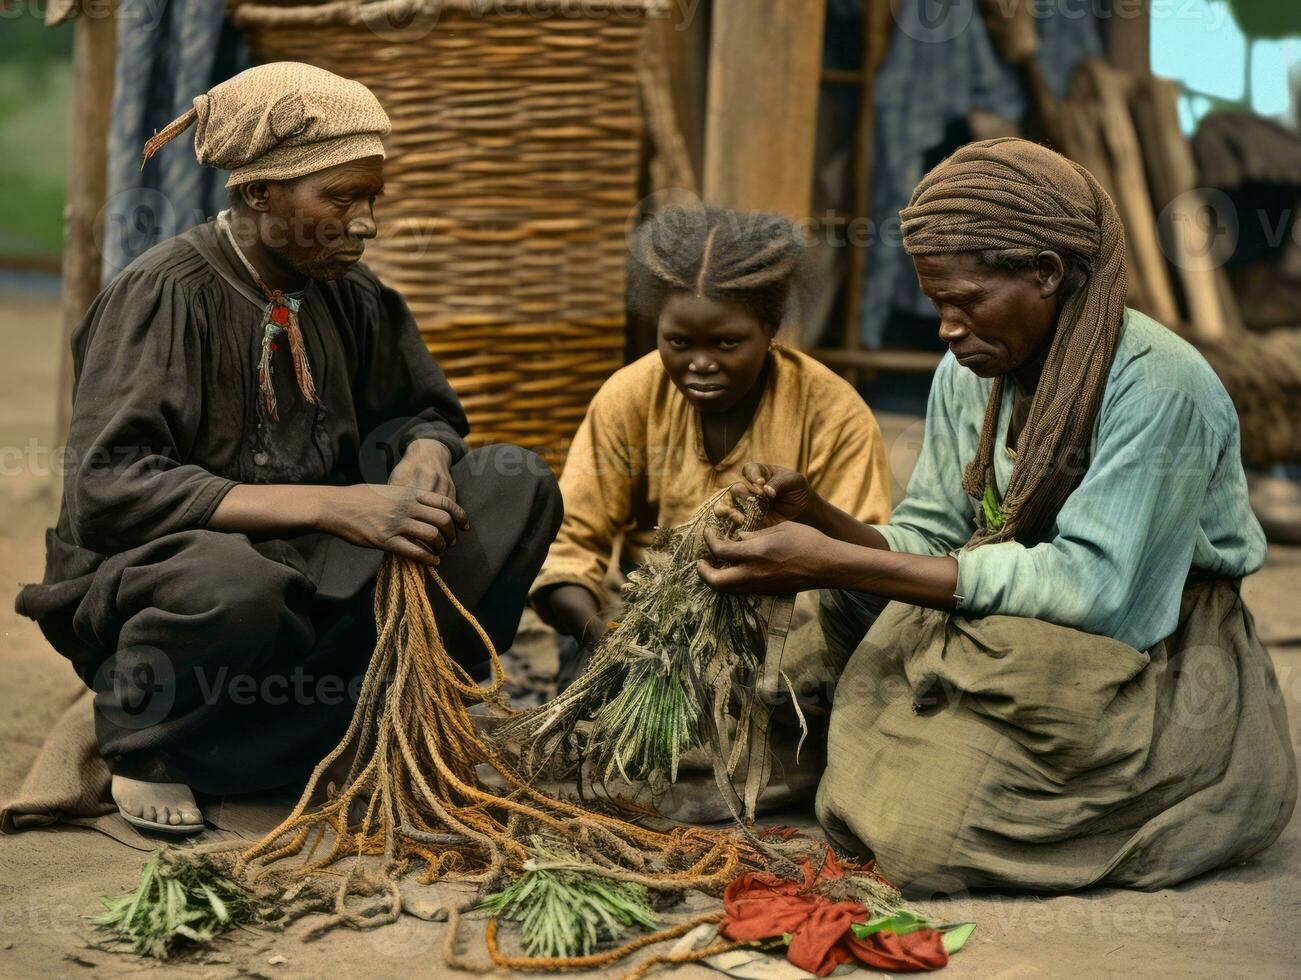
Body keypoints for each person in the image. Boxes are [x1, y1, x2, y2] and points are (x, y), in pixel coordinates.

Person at [701, 138, 1296, 891]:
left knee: (916, 837)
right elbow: (933, 537)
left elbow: (1093, 592)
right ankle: (889, 742)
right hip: (1002, 613)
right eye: (935, 304)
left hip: (1139, 649)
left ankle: (1173, 783)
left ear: (1045, 273)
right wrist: (820, 521)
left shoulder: (1158, 388)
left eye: (965, 302)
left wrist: (832, 562)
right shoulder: (971, 368)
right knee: (783, 673)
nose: (945, 327)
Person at [14, 63, 561, 836]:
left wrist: (421, 460)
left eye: (372, 197)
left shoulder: (349, 290)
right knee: (234, 582)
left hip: (315, 575)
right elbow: (109, 487)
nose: (365, 221)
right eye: (340, 198)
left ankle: (381, 712)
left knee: (518, 484)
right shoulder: (165, 295)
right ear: (258, 193)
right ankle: (149, 743)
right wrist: (338, 505)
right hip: (174, 579)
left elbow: (422, 413)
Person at [531, 206, 892, 684]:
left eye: (726, 344)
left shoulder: (831, 411)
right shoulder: (630, 395)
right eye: (679, 343)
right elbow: (571, 546)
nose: (700, 364)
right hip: (641, 616)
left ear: (770, 331)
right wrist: (601, 634)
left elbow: (863, 564)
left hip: (780, 628)